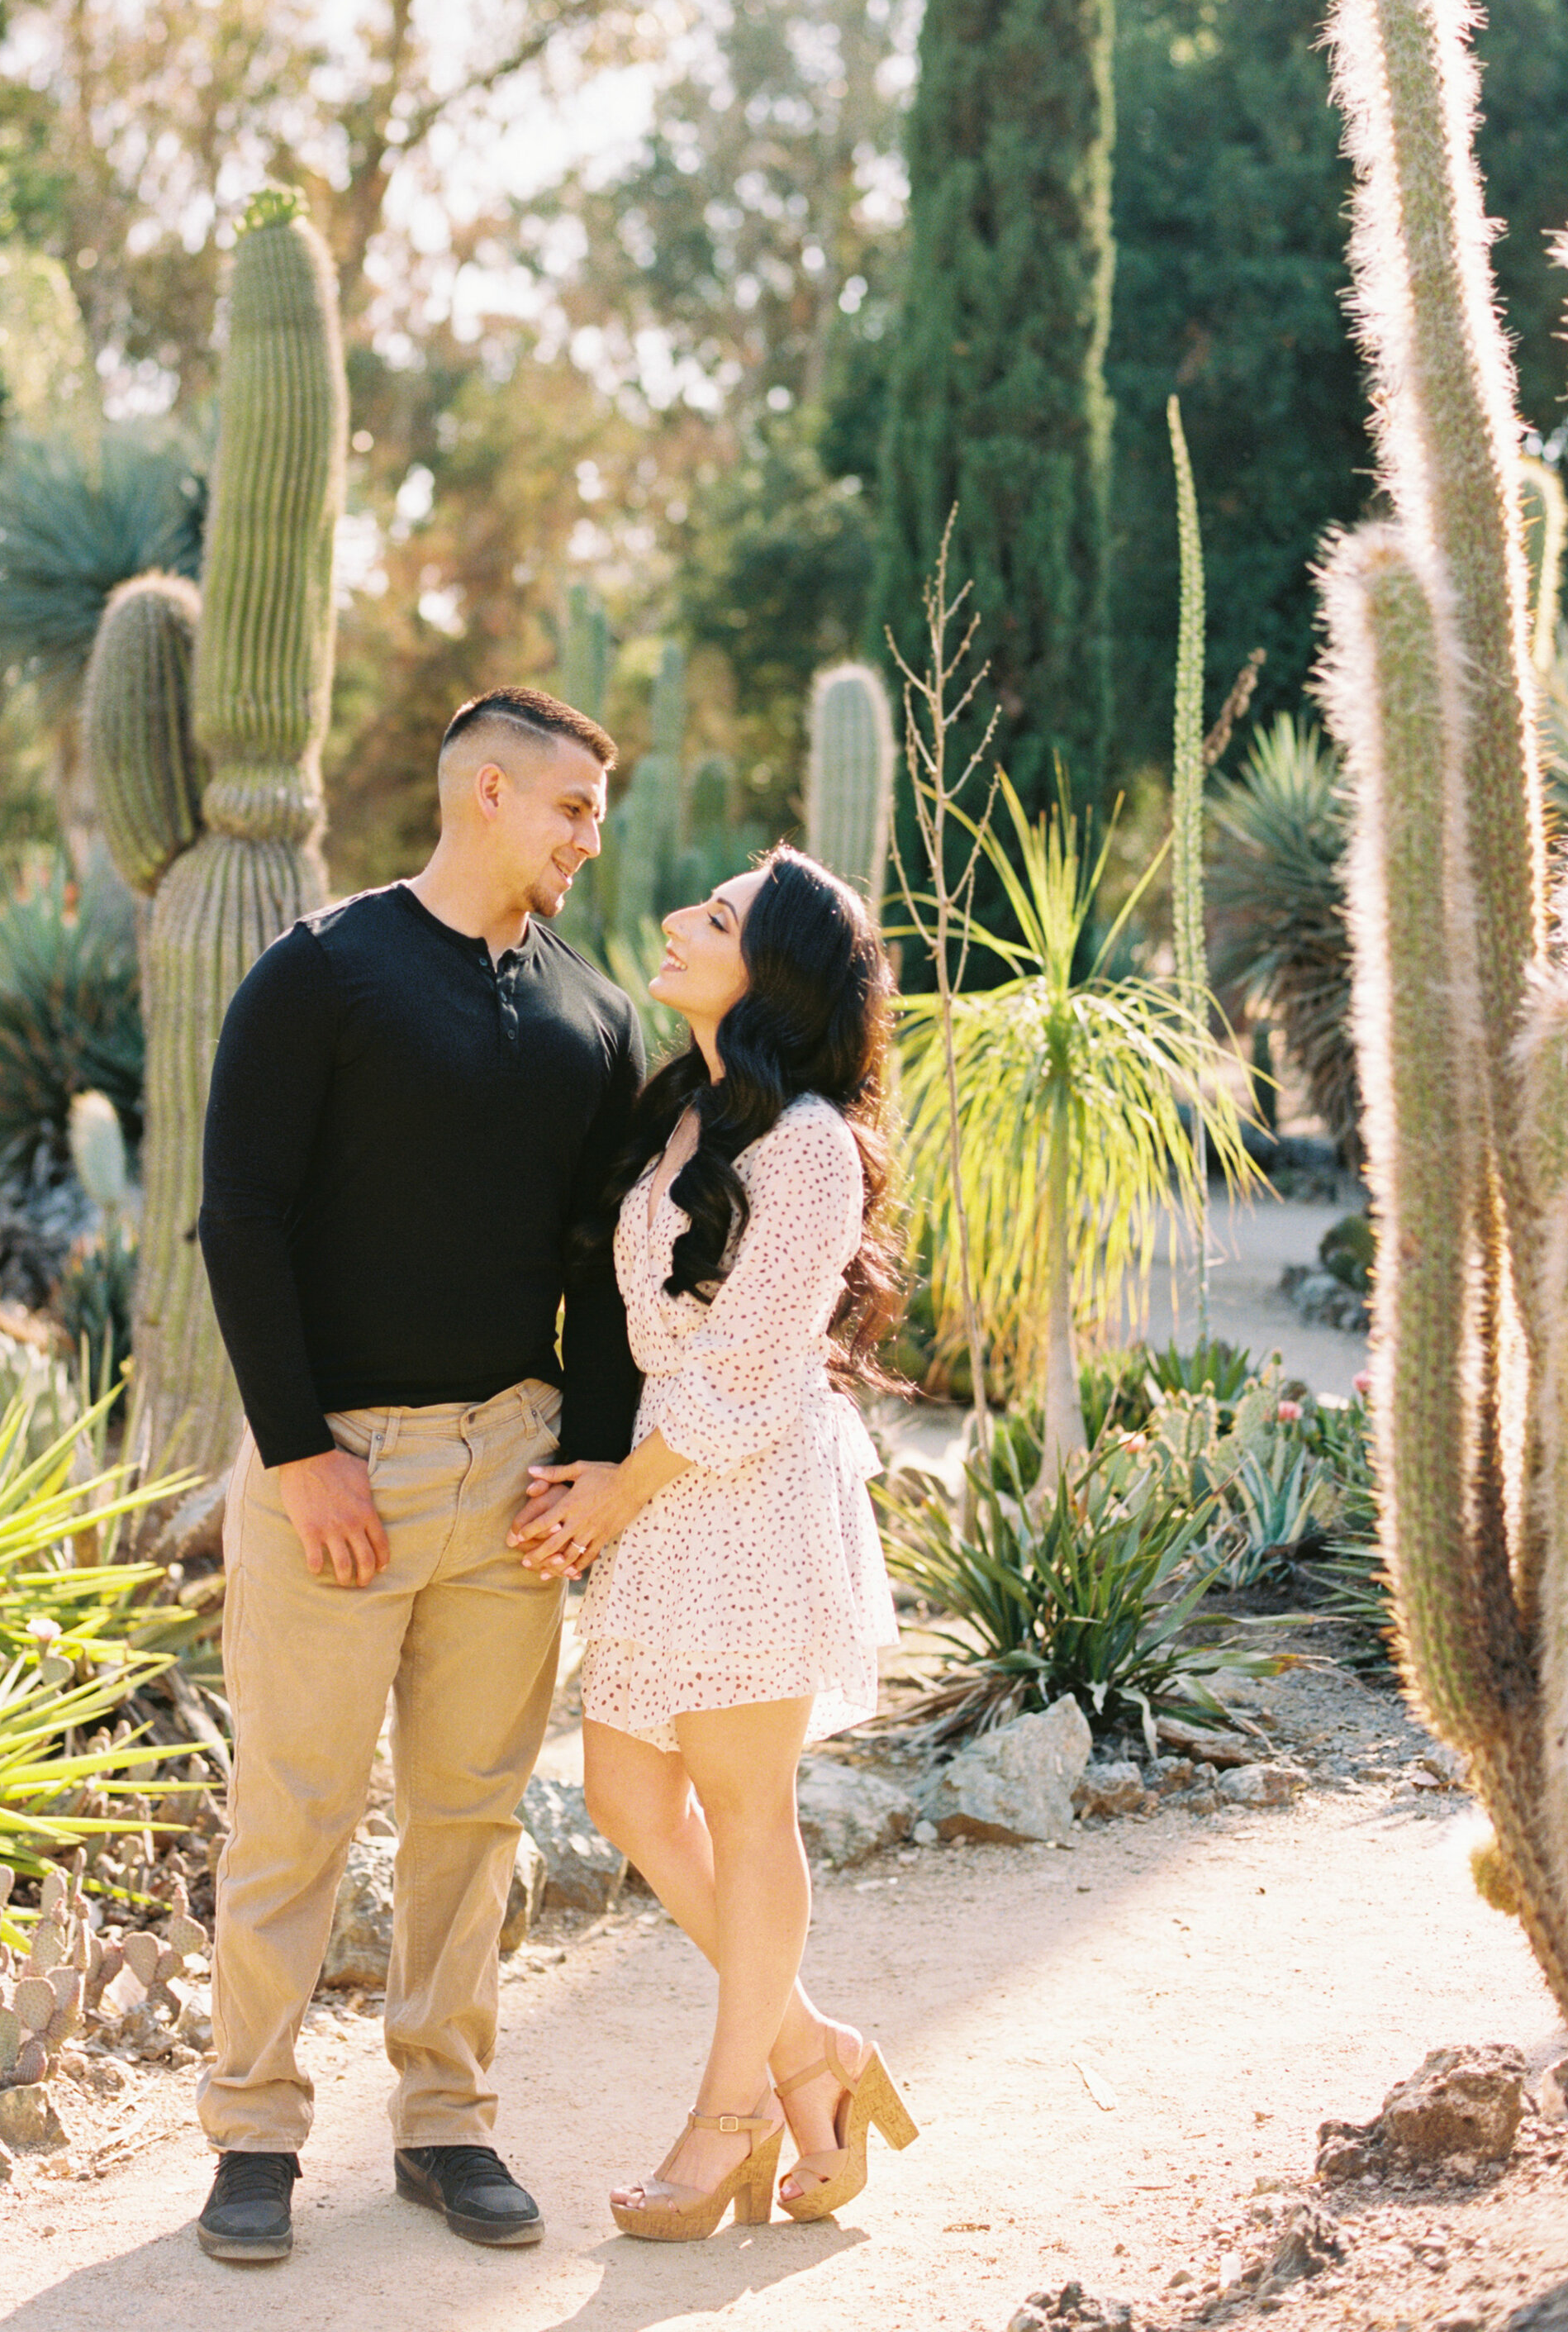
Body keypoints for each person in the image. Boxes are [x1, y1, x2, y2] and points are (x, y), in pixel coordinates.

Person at [189, 686, 644, 2266]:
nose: (595, 837)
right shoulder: (319, 974)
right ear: (492, 793)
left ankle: (446, 2123)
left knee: (471, 1818)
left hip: (513, 1466)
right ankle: (250, 2131)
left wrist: (590, 1461)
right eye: (578, 807)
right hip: (344, 1471)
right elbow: (238, 1215)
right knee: (295, 1812)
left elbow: (604, 1267)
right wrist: (302, 1451)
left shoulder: (594, 1012)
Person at [510, 845, 915, 2238]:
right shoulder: (684, 1110)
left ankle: (731, 2110)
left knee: (746, 1815)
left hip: (742, 1498)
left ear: (774, 973)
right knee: (628, 1796)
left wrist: (618, 1489)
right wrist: (608, 1478)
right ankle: (817, 2054)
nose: (681, 921)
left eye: (720, 917)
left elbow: (749, 1365)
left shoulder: (806, 1143)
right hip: (657, 1502)